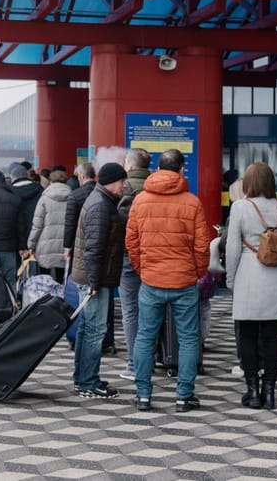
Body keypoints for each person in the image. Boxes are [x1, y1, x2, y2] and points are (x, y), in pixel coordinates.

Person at [125, 149, 211, 413]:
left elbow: (132, 242)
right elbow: (202, 246)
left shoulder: (140, 201)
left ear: (157, 168)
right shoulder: (192, 202)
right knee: (187, 338)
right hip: (184, 281)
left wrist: (143, 270)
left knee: (145, 337)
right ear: (182, 169)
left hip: (151, 281)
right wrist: (196, 272)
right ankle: (184, 396)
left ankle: (143, 396)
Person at [225, 162, 277, 410]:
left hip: (248, 274)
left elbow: (233, 248)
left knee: (246, 334)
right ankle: (270, 391)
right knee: (271, 336)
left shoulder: (240, 207)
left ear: (248, 183)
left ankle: (252, 390)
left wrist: (231, 280)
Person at [70, 162, 128, 399]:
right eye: (122, 181)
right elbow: (94, 249)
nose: (125, 185)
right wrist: (95, 282)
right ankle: (88, 382)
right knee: (95, 330)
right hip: (95, 279)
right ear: (112, 181)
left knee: (87, 329)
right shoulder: (101, 207)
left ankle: (82, 378)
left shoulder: (99, 201)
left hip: (91, 276)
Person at [116, 148, 150, 381]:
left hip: (129, 256)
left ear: (129, 165)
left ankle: (134, 364)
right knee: (153, 308)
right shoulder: (158, 185)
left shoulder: (123, 188)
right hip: (155, 256)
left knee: (131, 310)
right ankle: (156, 356)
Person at [28, 167, 71, 281]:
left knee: (45, 281)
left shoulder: (44, 199)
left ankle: (47, 298)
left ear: (51, 182)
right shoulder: (72, 198)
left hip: (45, 245)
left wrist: (31, 245)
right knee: (62, 280)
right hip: (65, 246)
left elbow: (37, 225)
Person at [8, 162, 43, 230]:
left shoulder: (9, 192)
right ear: (27, 175)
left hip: (16, 231)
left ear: (12, 178)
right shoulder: (40, 190)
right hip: (36, 229)